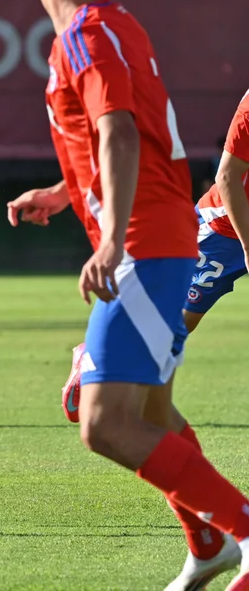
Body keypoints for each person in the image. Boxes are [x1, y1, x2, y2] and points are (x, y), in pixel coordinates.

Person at [6, 0, 249, 590]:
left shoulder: (81, 35)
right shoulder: (122, 25)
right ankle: (208, 545)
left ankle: (242, 528)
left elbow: (114, 132)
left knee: (102, 422)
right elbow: (124, 138)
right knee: (140, 413)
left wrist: (110, 236)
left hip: (146, 245)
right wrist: (62, 192)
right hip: (158, 238)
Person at [58, 88, 249, 589]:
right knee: (152, 369)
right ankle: (95, 353)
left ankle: (211, 544)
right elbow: (229, 179)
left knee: (151, 411)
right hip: (225, 233)